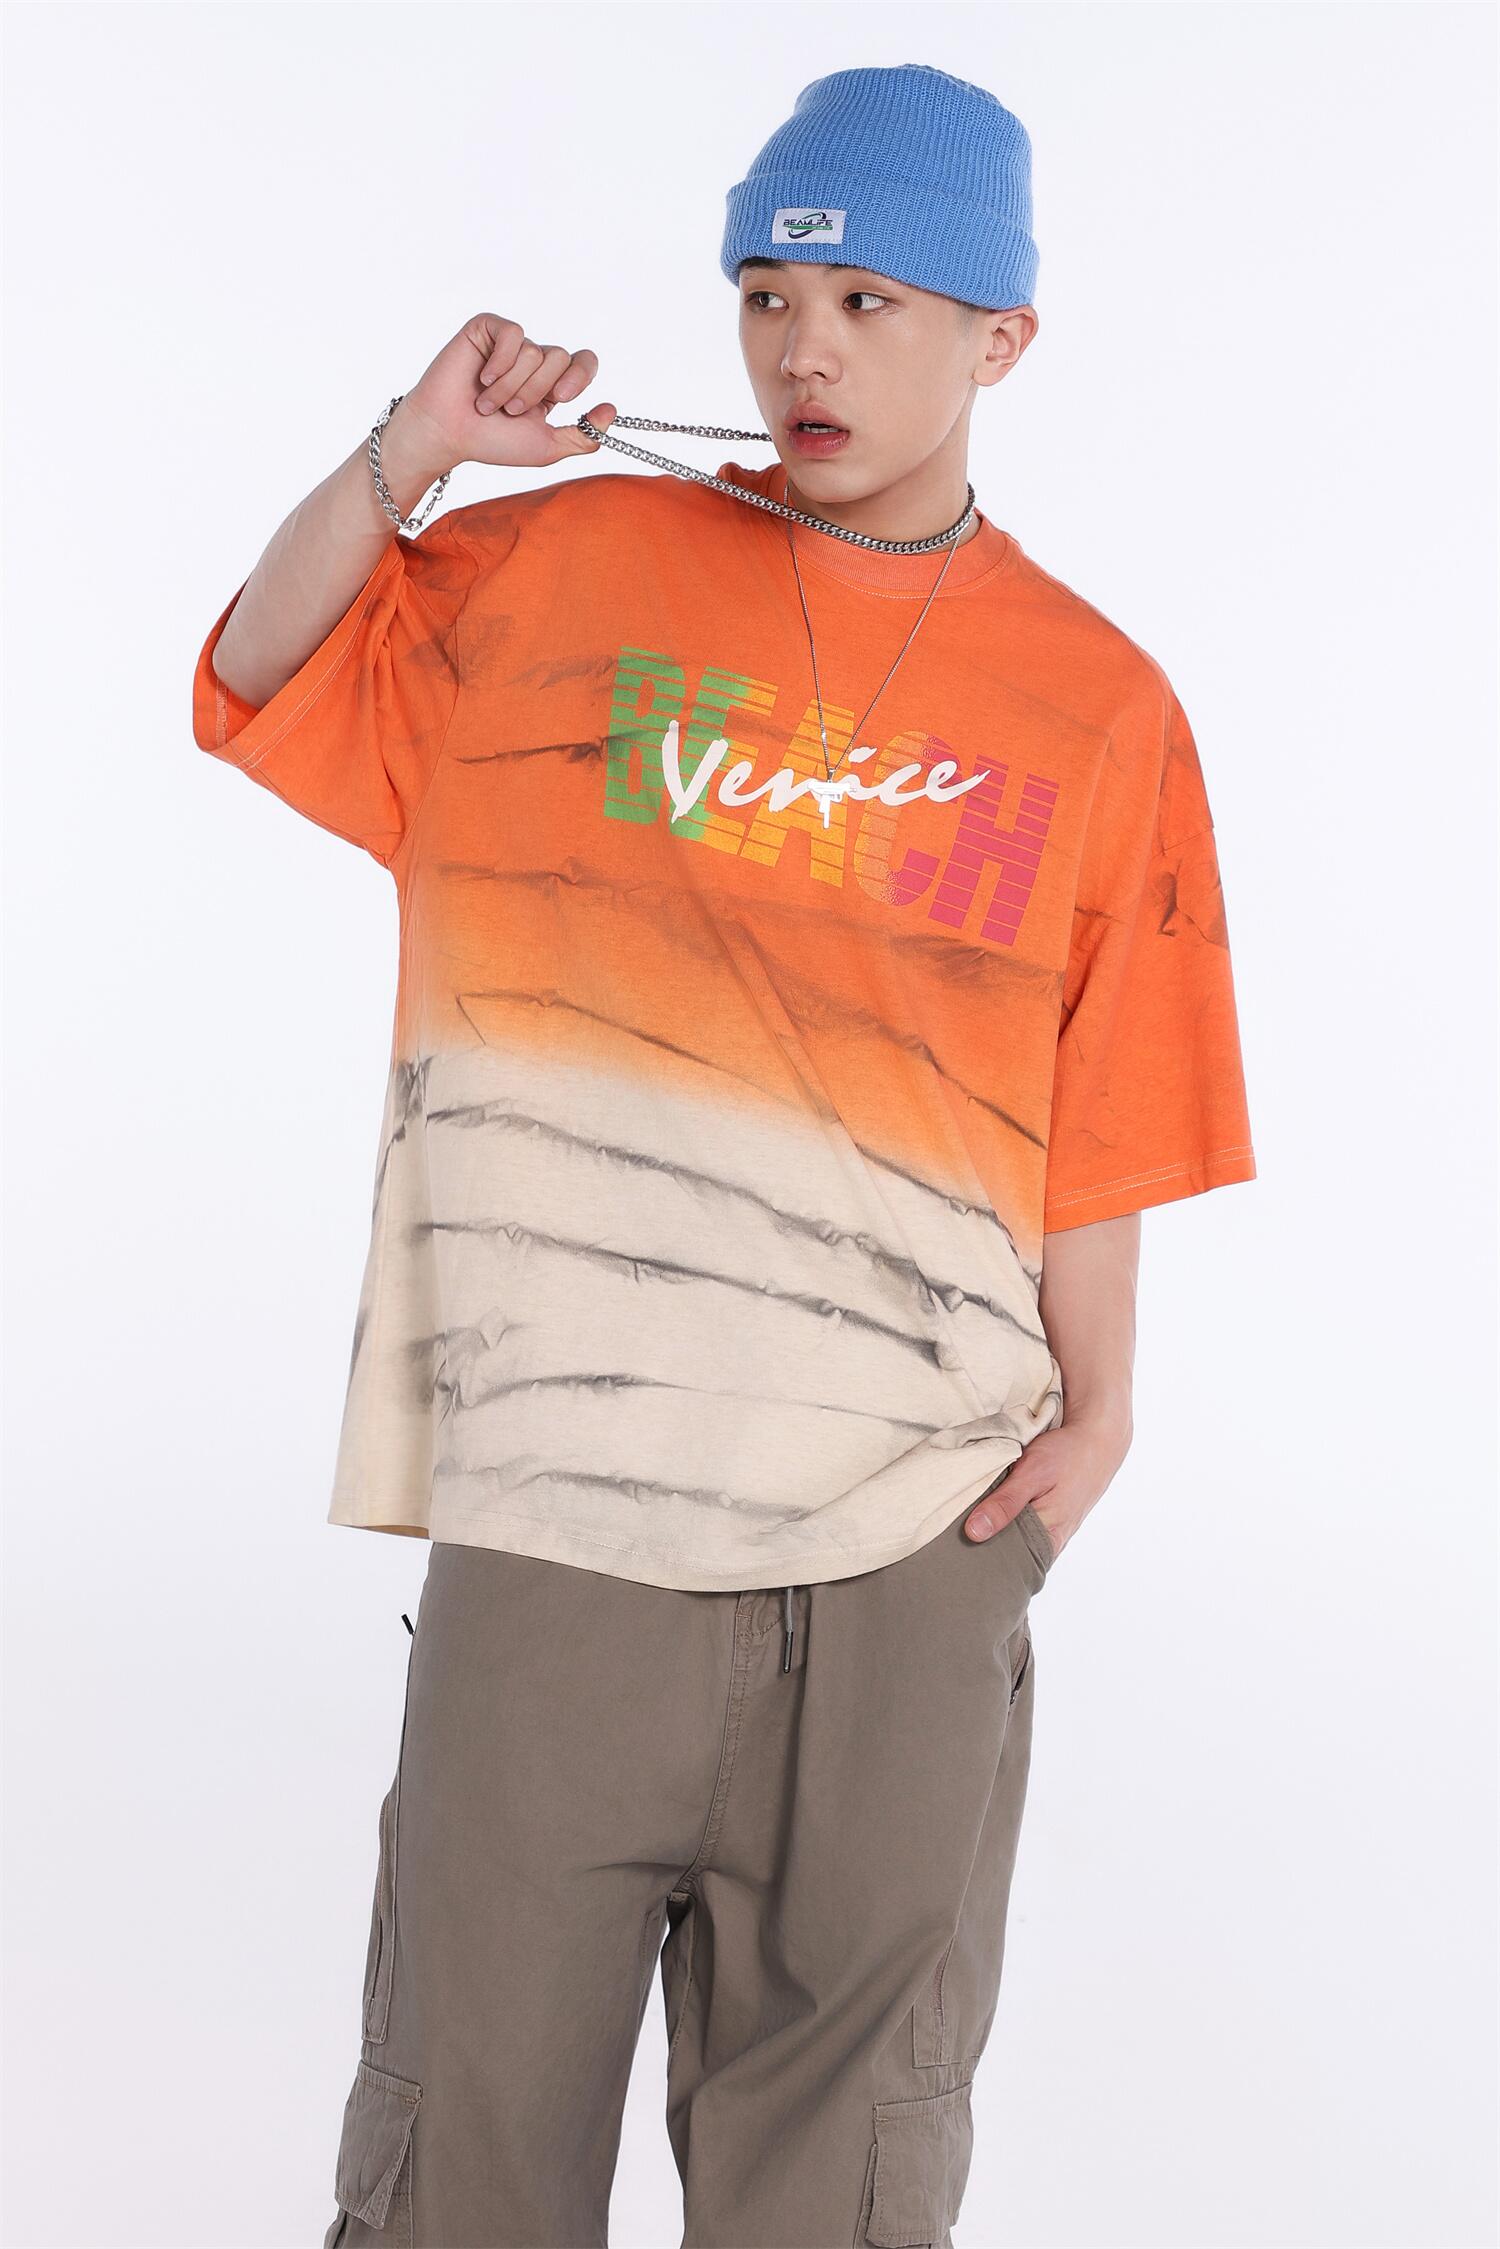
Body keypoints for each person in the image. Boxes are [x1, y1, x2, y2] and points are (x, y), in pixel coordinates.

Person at [193, 62, 1256, 2249]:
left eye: (870, 301)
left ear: (1001, 337)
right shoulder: (568, 568)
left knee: (844, 2189)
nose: (803, 351)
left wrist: (1103, 1412)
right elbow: (260, 667)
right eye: (768, 294)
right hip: (563, 1519)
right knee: (462, 2159)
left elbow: (1108, 1098)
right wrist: (412, 454)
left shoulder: (1099, 704)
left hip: (905, 1550)